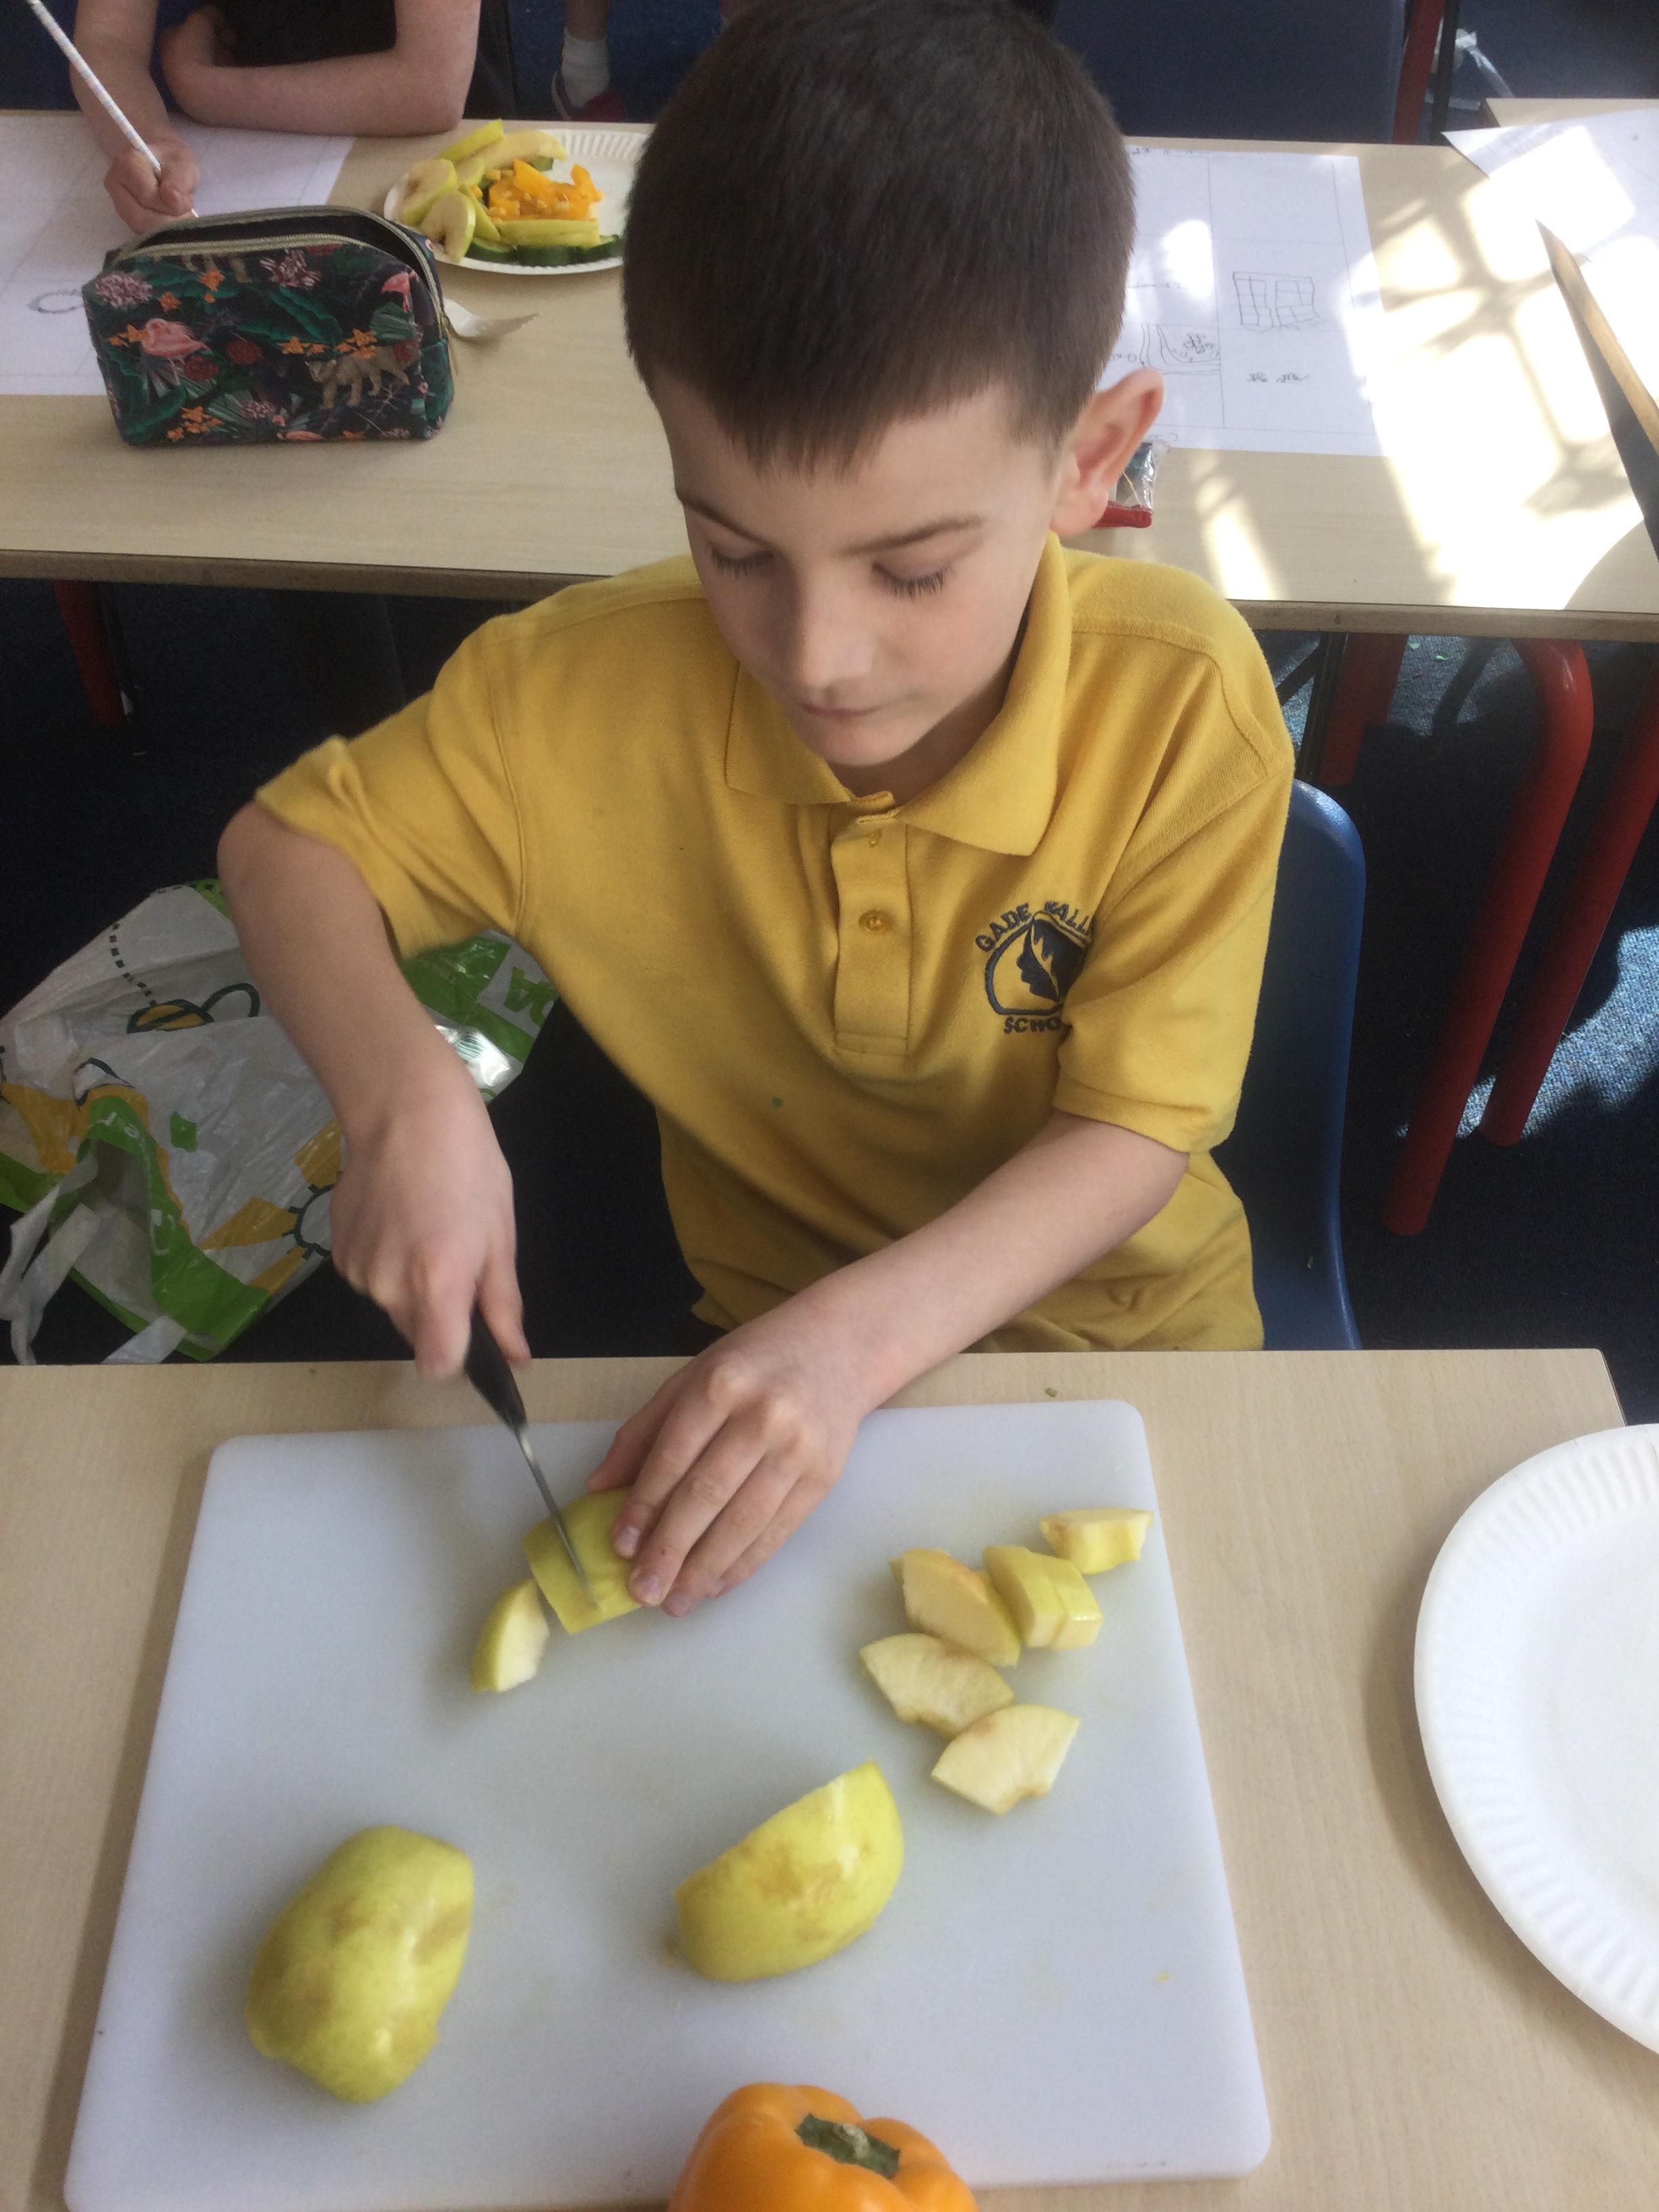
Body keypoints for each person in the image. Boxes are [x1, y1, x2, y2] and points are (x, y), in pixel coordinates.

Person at [219, 0, 1292, 1622]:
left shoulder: (1179, 704)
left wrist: (853, 1346)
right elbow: (284, 852)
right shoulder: (567, 693)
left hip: (1123, 1343)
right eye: (733, 550)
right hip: (767, 1346)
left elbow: (1134, 1130)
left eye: (912, 570)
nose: (817, 656)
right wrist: (399, 1099)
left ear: (1093, 459)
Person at [72, 0, 514, 231]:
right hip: (250, 159)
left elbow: (431, 89)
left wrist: (203, 91)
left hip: (438, 166)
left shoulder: (207, 92)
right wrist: (150, 141)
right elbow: (108, 42)